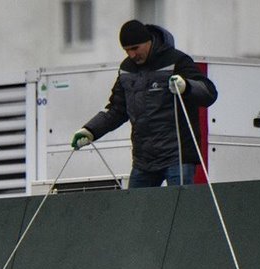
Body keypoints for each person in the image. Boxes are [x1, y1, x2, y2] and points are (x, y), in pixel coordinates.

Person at [70, 19, 218, 188]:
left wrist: (187, 86)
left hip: (178, 157)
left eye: (135, 48)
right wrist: (90, 130)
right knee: (136, 212)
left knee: (181, 210)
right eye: (127, 51)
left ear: (149, 42)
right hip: (143, 161)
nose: (132, 55)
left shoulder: (176, 60)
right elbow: (117, 109)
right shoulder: (127, 69)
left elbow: (209, 93)